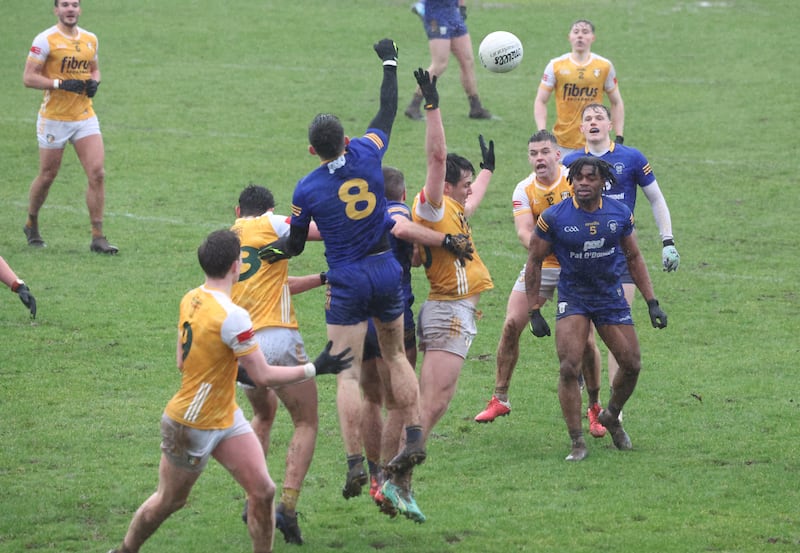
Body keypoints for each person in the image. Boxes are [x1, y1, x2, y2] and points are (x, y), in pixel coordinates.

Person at [258, 41, 472, 523]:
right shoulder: (369, 152)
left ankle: (357, 462)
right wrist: (390, 63)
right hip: (385, 270)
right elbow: (388, 110)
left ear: (313, 149)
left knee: (349, 371)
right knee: (397, 355)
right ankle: (414, 436)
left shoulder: (307, 188)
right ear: (347, 139)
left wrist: (271, 253)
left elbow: (293, 245)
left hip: (349, 278)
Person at [108, 229, 352, 553]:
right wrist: (315, 368)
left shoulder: (191, 298)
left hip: (225, 416)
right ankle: (125, 550)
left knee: (263, 490)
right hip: (190, 424)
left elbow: (183, 361)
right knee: (170, 500)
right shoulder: (234, 316)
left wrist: (225, 366)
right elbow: (263, 376)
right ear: (236, 265)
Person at [525, 157, 668, 461]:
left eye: (591, 178)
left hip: (609, 297)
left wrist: (652, 302)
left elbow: (634, 257)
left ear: (603, 181)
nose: (584, 183)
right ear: (571, 182)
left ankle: (611, 415)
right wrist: (533, 309)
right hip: (574, 297)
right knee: (568, 366)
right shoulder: (554, 217)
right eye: (578, 178)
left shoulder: (619, 213)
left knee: (632, 365)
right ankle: (577, 441)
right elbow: (534, 261)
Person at [473, 130, 607, 443]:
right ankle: (500, 399)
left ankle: (594, 407)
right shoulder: (523, 189)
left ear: (558, 155)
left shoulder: (576, 181)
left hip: (579, 267)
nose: (539, 159)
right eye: (533, 154)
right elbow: (524, 232)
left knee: (586, 341)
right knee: (510, 325)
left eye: (545, 152)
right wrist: (548, 249)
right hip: (543, 265)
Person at [563, 103, 679, 404]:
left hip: (621, 256)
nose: (593, 122)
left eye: (599, 117)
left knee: (617, 329)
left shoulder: (631, 158)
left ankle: (616, 406)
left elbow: (656, 199)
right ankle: (591, 397)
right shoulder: (571, 163)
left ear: (611, 125)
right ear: (580, 129)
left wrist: (668, 241)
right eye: (587, 118)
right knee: (584, 336)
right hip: (582, 260)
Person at [230, 184, 326, 545]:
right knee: (306, 420)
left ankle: (253, 496)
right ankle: (286, 505)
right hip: (279, 338)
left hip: (243, 347)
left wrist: (322, 278)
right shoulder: (273, 224)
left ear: (238, 211)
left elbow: (277, 283)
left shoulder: (228, 240)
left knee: (264, 414)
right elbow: (316, 231)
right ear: (269, 209)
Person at [410, 68, 495, 447]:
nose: (469, 190)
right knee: (434, 404)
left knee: (426, 403)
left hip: (450, 312)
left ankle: (395, 467)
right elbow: (436, 156)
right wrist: (433, 105)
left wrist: (489, 170)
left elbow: (474, 199)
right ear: (446, 185)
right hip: (449, 312)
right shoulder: (432, 206)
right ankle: (398, 470)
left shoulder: (454, 208)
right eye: (464, 184)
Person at [23, 0, 117, 254]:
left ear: (80, 10)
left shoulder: (90, 39)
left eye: (74, 4)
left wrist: (95, 82)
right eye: (64, 4)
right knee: (47, 175)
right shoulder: (45, 40)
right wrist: (59, 84)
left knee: (97, 173)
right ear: (56, 10)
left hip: (84, 116)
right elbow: (28, 77)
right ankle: (31, 221)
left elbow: (94, 69)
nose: (70, 9)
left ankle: (98, 236)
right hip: (54, 118)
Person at [533, 19, 624, 157]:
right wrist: (542, 131)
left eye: (585, 32)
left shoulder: (604, 66)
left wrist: (619, 135)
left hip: (595, 141)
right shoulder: (556, 66)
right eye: (576, 32)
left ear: (593, 38)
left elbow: (616, 102)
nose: (580, 35)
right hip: (563, 142)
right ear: (569, 36)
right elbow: (540, 100)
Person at [404, 0, 492, 121]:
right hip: (436, 15)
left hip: (453, 14)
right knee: (440, 64)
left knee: (467, 61)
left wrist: (462, 7)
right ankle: (414, 105)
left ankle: (476, 107)